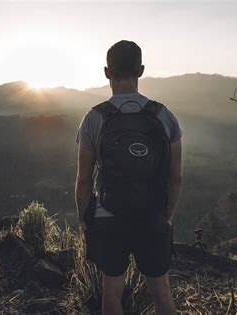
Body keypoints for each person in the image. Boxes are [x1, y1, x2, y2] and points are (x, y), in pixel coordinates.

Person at [75, 40, 182, 315]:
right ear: (141, 70)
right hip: (153, 216)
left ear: (107, 72)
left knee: (111, 294)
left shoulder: (94, 117)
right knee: (162, 294)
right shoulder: (164, 116)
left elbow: (84, 180)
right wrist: (165, 217)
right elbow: (175, 178)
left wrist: (86, 220)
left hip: (110, 216)